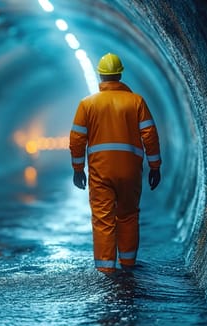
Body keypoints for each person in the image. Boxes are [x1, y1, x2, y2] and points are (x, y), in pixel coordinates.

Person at [69, 52, 162, 273]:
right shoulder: (136, 101)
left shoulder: (87, 104)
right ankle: (128, 264)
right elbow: (150, 135)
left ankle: (106, 270)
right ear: (120, 74)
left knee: (103, 219)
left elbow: (76, 139)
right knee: (128, 215)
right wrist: (155, 166)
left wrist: (78, 168)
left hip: (101, 171)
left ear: (100, 75)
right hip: (130, 170)